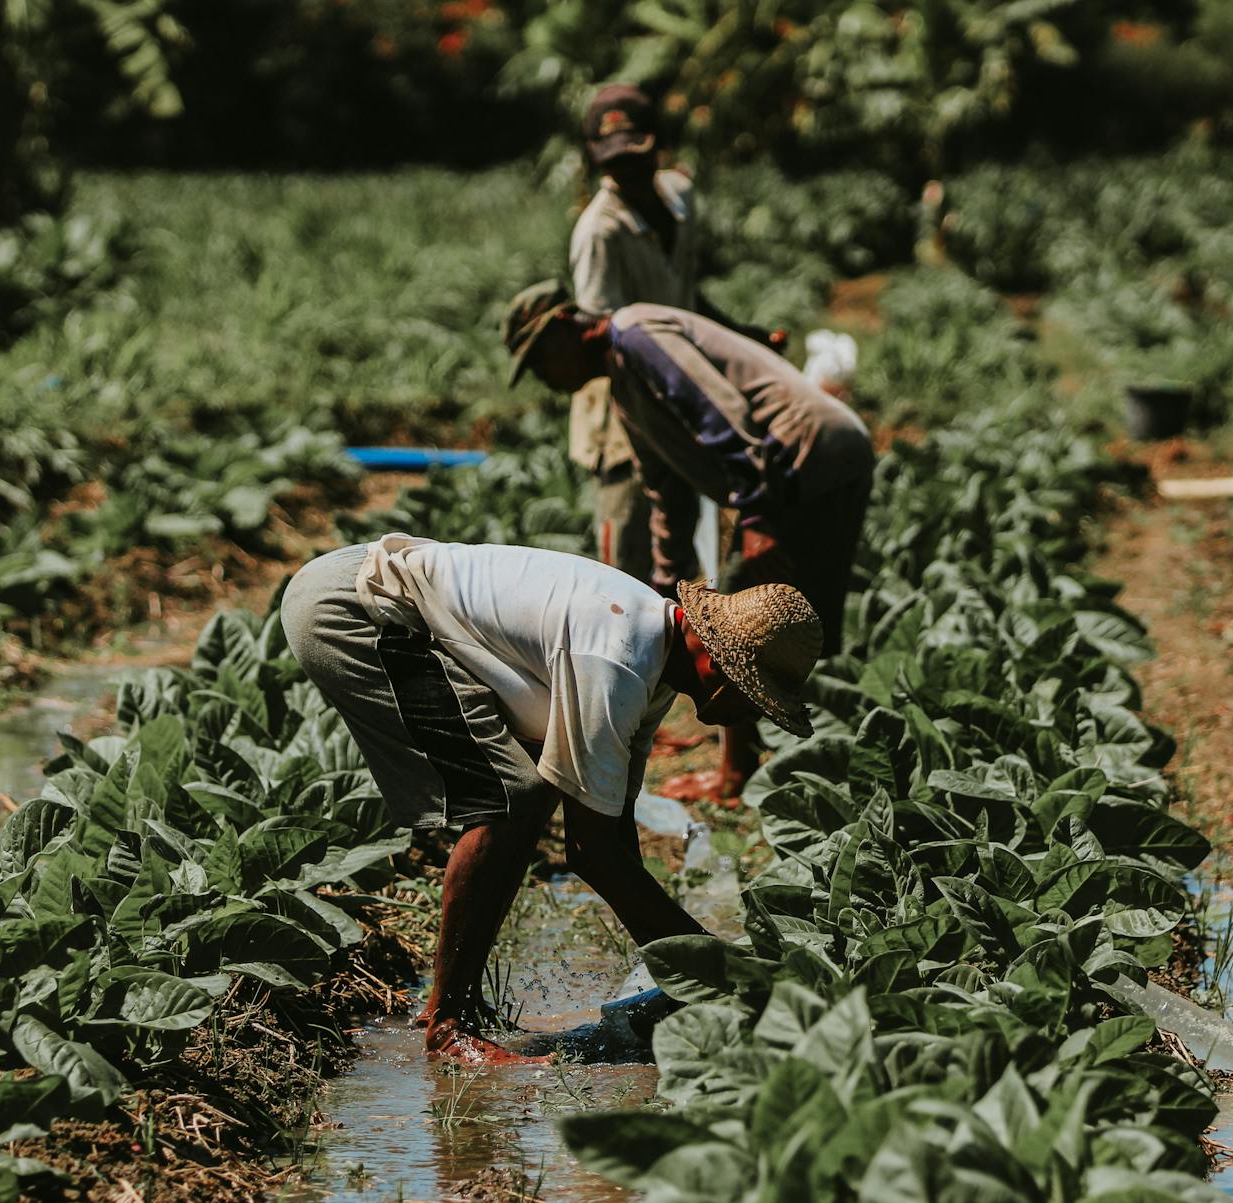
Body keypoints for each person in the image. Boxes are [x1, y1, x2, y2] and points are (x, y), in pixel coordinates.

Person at [280, 534, 822, 1062]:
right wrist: (722, 973)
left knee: (528, 792)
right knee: (512, 796)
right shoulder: (617, 660)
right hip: (354, 608)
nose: (748, 716)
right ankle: (448, 1028)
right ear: (712, 659)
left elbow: (612, 831)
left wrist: (690, 974)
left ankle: (456, 1008)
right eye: (751, 695)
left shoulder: (653, 657)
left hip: (377, 592)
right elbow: (591, 854)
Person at [503, 282, 874, 801]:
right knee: (783, 620)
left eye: (540, 359)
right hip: (797, 467)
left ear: (566, 328)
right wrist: (665, 579)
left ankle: (746, 773)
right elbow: (665, 487)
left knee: (754, 620)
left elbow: (720, 413)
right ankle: (792, 766)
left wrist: (757, 513)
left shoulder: (637, 334)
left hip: (807, 459)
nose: (544, 378)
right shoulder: (624, 385)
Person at [567, 83, 782, 582]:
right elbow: (602, 336)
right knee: (628, 547)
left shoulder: (681, 198)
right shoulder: (600, 232)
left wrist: (737, 336)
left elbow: (684, 298)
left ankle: (688, 639)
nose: (627, 172)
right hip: (624, 407)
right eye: (613, 163)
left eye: (636, 157)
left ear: (658, 147)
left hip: (682, 386)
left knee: (684, 527)